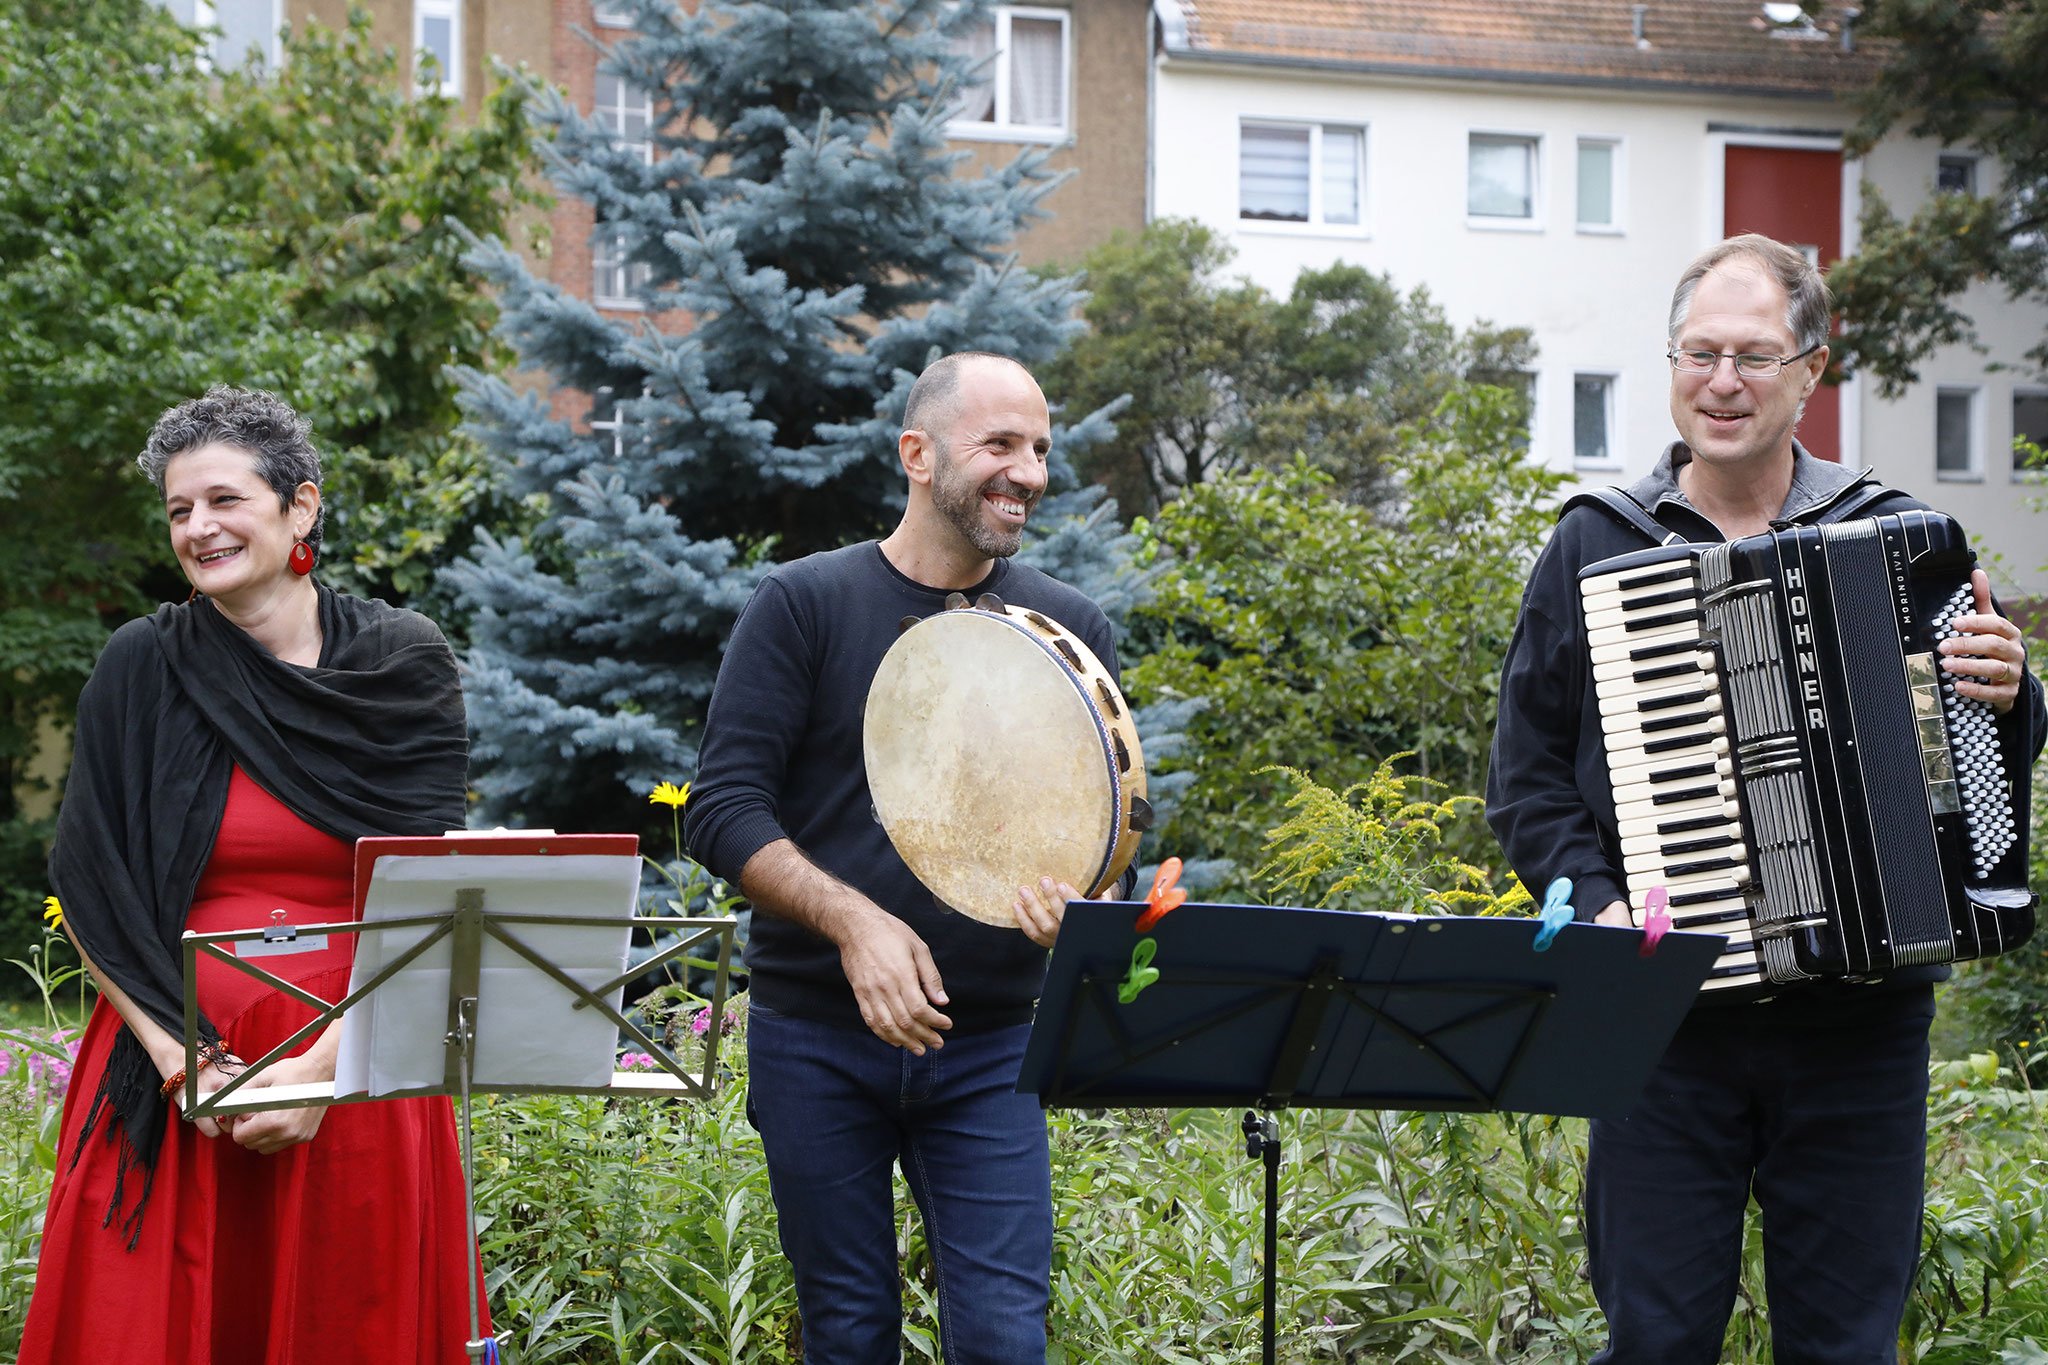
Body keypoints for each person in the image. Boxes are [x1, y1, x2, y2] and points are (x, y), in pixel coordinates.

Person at [1488, 235, 2046, 1364]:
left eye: (1752, 354)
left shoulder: (1900, 541)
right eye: (1698, 353)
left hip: (1857, 1021)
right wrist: (1595, 906)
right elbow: (1525, 780)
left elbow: (1969, 758)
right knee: (1652, 1341)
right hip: (1661, 1016)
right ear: (1671, 364)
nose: (1722, 380)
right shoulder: (1595, 541)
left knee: (1843, 1348)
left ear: (1809, 370)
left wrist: (2011, 688)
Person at [21, 387, 485, 1364]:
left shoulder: (402, 663)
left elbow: (435, 902)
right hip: (175, 1067)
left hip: (359, 1076)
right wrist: (188, 1061)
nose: (199, 527)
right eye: (180, 510)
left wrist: (323, 1074)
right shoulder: (138, 666)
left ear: (299, 507)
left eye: (224, 500)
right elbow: (91, 887)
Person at [684, 351, 1123, 1364]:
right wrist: (853, 921)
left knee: (1006, 1343)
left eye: (1042, 449)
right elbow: (723, 808)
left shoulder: (1067, 628)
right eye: (1000, 445)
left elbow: (1105, 840)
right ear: (916, 455)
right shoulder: (801, 605)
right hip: (814, 1042)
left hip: (988, 1049)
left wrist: (1085, 898)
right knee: (847, 1337)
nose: (1028, 471)